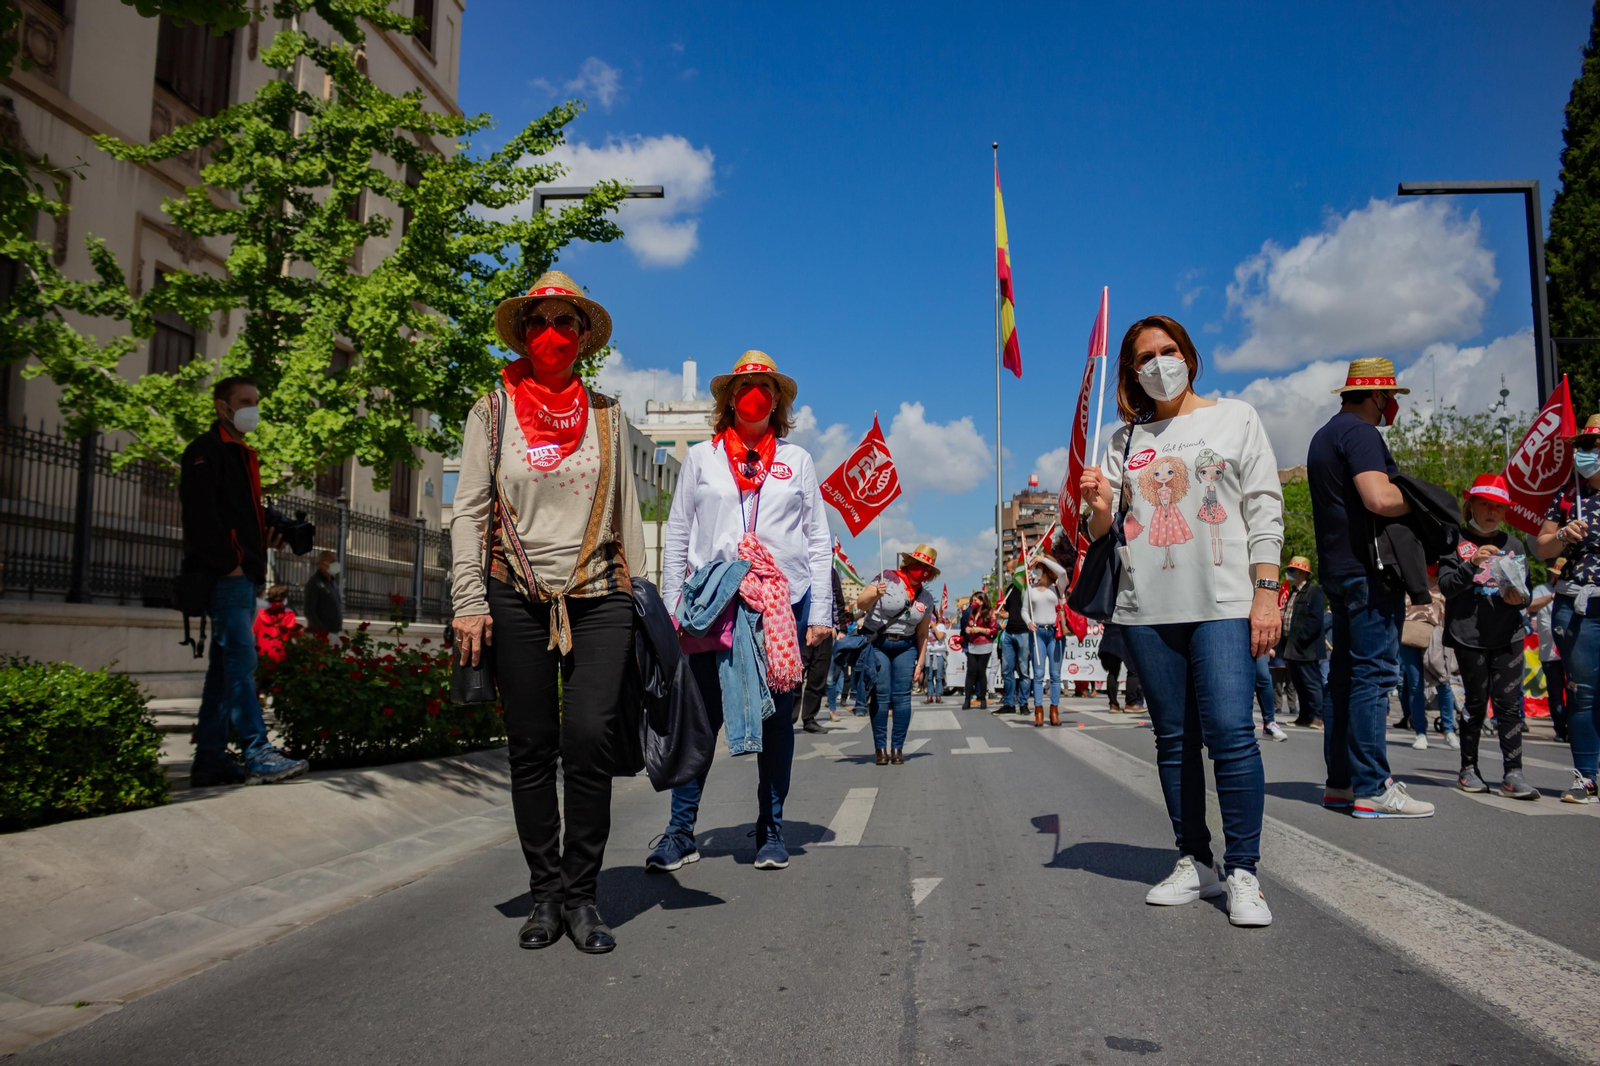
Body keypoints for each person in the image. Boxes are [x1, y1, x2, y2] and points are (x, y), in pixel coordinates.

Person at [451, 271, 646, 954]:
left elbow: (628, 512)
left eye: (567, 323)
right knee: (530, 748)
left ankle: (584, 896)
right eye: (539, 324)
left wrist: (643, 596)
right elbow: (470, 510)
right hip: (515, 595)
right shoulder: (491, 411)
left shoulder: (609, 414)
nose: (553, 336)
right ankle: (545, 895)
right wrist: (469, 598)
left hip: (600, 593)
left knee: (589, 738)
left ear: (584, 338)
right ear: (524, 334)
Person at [1079, 314, 1282, 927]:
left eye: (1168, 351)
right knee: (1173, 742)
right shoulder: (1123, 441)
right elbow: (1101, 534)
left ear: (1190, 356)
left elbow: (1264, 504)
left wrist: (1266, 592)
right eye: (1145, 357)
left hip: (1223, 602)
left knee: (1230, 733)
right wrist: (1097, 504)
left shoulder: (1236, 417)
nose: (1159, 363)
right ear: (1131, 372)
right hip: (1147, 610)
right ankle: (1195, 860)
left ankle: (1243, 871)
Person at [647, 351, 833, 872]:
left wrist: (820, 610)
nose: (755, 393)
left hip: (781, 606)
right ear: (729, 398)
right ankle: (680, 832)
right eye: (746, 384)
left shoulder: (797, 461)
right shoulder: (703, 459)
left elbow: (818, 540)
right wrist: (669, 607)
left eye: (765, 386)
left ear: (777, 401)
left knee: (777, 724)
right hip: (713, 605)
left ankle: (770, 830)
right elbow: (679, 532)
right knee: (700, 717)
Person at [1306, 358, 1434, 819]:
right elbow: (1378, 497)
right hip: (1369, 570)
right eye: (1391, 398)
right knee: (1374, 676)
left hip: (1339, 569)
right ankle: (1373, 786)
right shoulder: (1362, 435)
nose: (1391, 407)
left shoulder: (1324, 435)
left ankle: (1340, 783)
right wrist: (1423, 499)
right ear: (1378, 396)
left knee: (1343, 678)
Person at [180, 376, 310, 789]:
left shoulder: (242, 453)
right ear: (223, 407)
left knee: (224, 669)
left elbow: (237, 516)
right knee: (241, 665)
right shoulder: (207, 451)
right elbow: (202, 517)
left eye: (256, 400)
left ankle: (210, 759)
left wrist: (263, 537)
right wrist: (233, 562)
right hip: (227, 577)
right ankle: (256, 752)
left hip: (242, 574)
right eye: (245, 401)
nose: (253, 408)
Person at [1437, 475, 1536, 799]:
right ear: (1471, 506)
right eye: (1486, 504)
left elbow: (1527, 595)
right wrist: (1473, 563)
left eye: (1499, 507)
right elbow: (1447, 586)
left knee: (1509, 706)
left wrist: (1519, 598)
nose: (1493, 512)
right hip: (1469, 636)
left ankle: (1513, 774)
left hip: (1509, 635)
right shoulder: (1455, 540)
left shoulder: (1515, 545)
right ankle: (1469, 768)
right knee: (1477, 704)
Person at [1535, 415, 1600, 803]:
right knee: (1585, 693)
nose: (1588, 453)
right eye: (1585, 446)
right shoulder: (1565, 494)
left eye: (1595, 445)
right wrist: (1561, 534)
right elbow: (1541, 547)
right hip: (1578, 606)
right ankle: (1586, 777)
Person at [857, 545, 939, 763]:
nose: (921, 571)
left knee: (902, 698)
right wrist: (876, 592)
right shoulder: (887, 578)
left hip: (906, 646)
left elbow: (922, 634)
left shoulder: (926, 598)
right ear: (907, 564)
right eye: (918, 565)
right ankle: (880, 749)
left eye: (926, 569)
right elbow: (860, 603)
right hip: (879, 643)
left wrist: (920, 664)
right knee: (881, 695)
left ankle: (897, 748)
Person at [1397, 570, 1454, 749]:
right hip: (1410, 634)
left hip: (1437, 636)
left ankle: (1449, 729)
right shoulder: (1409, 577)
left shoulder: (1446, 579)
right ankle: (1420, 732)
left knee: (1443, 681)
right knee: (1415, 684)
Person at [797, 568, 848, 733]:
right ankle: (788, 717)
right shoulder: (800, 565)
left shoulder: (830, 572)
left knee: (818, 676)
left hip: (825, 631)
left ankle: (809, 718)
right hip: (801, 628)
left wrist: (841, 630)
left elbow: (838, 601)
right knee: (796, 674)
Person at [1280, 556, 1326, 733]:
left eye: (1292, 570)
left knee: (1311, 682)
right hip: (1292, 647)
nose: (1289, 574)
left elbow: (1315, 620)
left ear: (1301, 572)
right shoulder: (1294, 591)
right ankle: (1305, 716)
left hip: (1307, 648)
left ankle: (1317, 716)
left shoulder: (1314, 592)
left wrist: (1301, 638)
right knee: (1299, 683)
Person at [1528, 558, 1567, 742]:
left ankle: (1574, 728)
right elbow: (1530, 605)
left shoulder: (1573, 590)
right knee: (1556, 694)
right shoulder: (1542, 591)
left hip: (1571, 650)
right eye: (1556, 574)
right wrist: (1552, 597)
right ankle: (1560, 729)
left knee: (1577, 693)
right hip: (1550, 652)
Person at [1023, 559, 1066, 725]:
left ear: (1046, 570)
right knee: (1039, 674)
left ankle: (1054, 710)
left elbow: (1062, 572)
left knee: (1055, 675)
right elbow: (1025, 610)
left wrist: (1043, 559)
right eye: (1035, 569)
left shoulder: (1057, 587)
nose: (1035, 572)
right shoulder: (1030, 589)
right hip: (1038, 633)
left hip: (1055, 633)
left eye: (1039, 569)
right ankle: (1038, 710)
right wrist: (1028, 622)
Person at [997, 574, 1033, 714]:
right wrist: (1001, 614)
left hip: (1024, 632)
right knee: (1007, 670)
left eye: (1011, 572)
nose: (1009, 575)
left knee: (1024, 671)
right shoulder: (1010, 589)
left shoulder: (1028, 589)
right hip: (1009, 633)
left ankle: (1023, 703)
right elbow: (1010, 611)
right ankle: (1009, 703)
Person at [962, 591, 997, 709]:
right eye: (973, 600)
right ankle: (967, 699)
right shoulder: (972, 613)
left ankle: (982, 698)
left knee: (981, 672)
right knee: (971, 672)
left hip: (985, 645)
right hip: (972, 645)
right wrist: (968, 629)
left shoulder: (990, 614)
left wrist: (980, 630)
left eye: (976, 600)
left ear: (982, 602)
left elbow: (994, 630)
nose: (973, 603)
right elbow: (967, 625)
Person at [1099, 621, 1142, 713]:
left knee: (1113, 672)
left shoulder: (1106, 607)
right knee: (1133, 671)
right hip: (1122, 637)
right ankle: (1131, 703)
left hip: (1108, 638)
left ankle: (1113, 704)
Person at [252, 585, 301, 664]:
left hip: (263, 657)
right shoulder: (288, 614)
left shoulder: (261, 614)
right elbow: (296, 634)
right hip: (282, 657)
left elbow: (255, 631)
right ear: (284, 598)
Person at [303, 550, 343, 635]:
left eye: (336, 561)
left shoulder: (333, 582)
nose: (336, 565)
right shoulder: (314, 583)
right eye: (333, 562)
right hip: (323, 635)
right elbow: (309, 611)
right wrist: (323, 631)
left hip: (336, 631)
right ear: (323, 564)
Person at [925, 620, 949, 704]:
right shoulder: (925, 626)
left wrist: (934, 627)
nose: (931, 619)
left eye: (933, 617)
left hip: (939, 653)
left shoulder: (941, 626)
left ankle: (938, 695)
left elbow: (939, 637)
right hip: (928, 653)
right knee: (929, 676)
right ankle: (929, 695)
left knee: (939, 676)